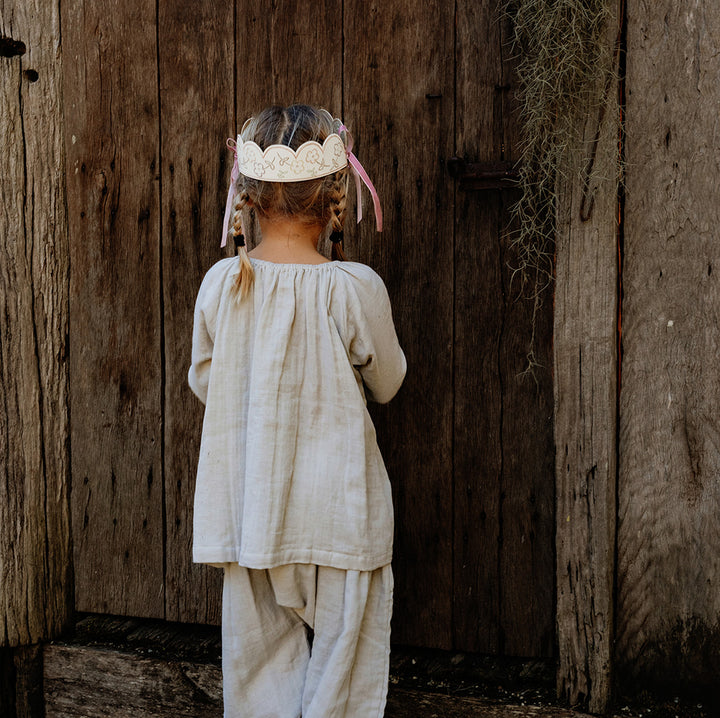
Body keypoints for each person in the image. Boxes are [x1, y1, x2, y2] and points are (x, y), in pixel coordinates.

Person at [188, 104, 406, 718]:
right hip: (341, 519)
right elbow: (387, 383)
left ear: (247, 197)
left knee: (258, 683)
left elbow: (209, 383)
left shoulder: (221, 287)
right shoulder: (354, 289)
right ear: (337, 196)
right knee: (344, 684)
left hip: (252, 516)